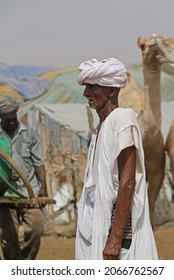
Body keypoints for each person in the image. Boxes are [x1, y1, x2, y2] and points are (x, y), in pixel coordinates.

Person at [75, 58, 158, 260]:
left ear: (111, 91)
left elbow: (127, 182)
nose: (86, 94)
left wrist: (114, 239)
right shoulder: (101, 127)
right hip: (96, 230)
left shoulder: (122, 120)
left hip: (117, 238)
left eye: (92, 87)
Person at [0, 98, 47, 260]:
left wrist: (43, 188)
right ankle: (13, 266)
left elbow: (39, 164)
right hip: (4, 194)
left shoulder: (28, 134)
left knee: (36, 227)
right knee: (8, 237)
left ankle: (25, 264)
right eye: (8, 120)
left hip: (29, 191)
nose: (12, 122)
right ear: (1, 118)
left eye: (14, 119)